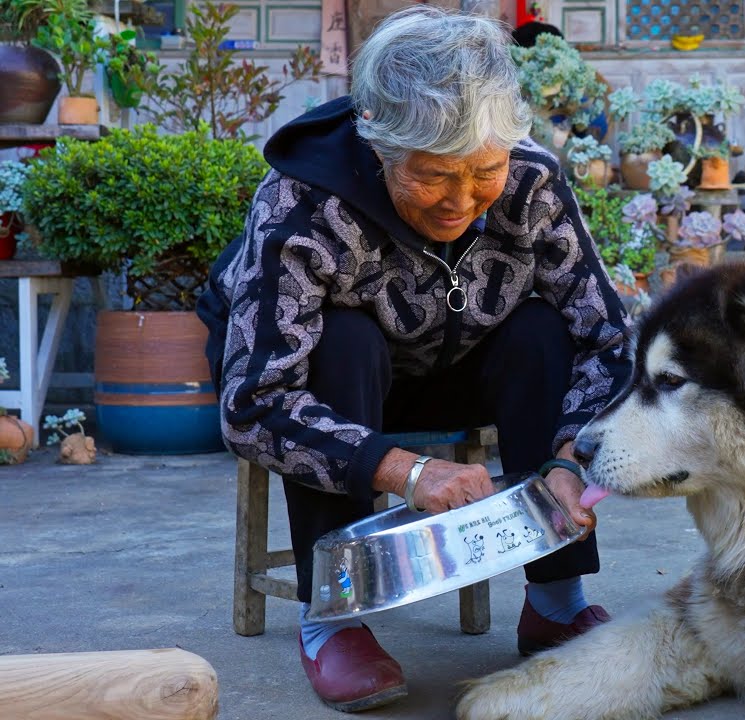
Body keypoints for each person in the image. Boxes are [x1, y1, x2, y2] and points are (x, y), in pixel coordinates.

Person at [195, 6, 630, 713]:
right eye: (433, 176)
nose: (462, 201)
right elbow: (256, 405)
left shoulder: (532, 183)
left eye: (483, 172)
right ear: (378, 144)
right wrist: (406, 471)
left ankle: (556, 599)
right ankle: (332, 617)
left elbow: (610, 341)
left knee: (545, 332)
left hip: (457, 364)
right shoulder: (302, 203)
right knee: (343, 341)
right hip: (333, 386)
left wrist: (571, 459)